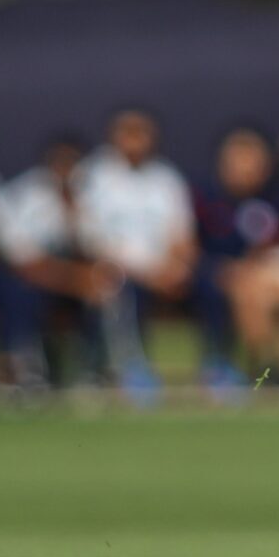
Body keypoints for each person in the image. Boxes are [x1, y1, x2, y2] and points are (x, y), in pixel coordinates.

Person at [75, 108, 200, 405]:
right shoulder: (93, 176)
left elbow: (182, 235)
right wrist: (147, 272)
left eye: (140, 132)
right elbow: (90, 240)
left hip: (163, 270)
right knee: (114, 287)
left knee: (211, 283)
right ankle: (129, 369)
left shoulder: (166, 178)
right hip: (116, 269)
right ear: (113, 136)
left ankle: (217, 365)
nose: (134, 140)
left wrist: (177, 267)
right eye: (127, 132)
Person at [195, 125, 279, 387]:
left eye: (252, 159)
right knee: (251, 290)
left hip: (277, 275)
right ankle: (263, 371)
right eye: (237, 159)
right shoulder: (207, 200)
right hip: (227, 275)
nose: (245, 167)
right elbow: (195, 252)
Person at [0, 133, 117, 393]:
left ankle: (95, 370)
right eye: (60, 162)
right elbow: (22, 261)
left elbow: (100, 249)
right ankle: (26, 372)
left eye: (72, 163)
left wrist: (73, 213)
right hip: (29, 280)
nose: (65, 170)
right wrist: (75, 280)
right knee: (20, 295)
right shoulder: (22, 194)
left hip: (73, 280)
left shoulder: (93, 196)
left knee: (107, 289)